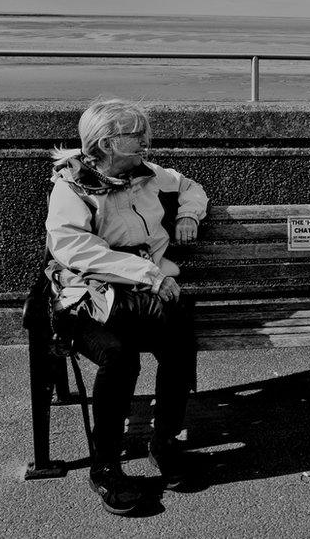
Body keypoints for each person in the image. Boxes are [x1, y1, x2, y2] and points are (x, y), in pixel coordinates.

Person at [45, 98, 208, 514]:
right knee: (119, 359)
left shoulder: (150, 175)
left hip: (141, 298)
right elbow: (75, 248)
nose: (144, 140)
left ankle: (164, 441)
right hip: (90, 298)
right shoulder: (72, 187)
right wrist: (148, 273)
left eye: (142, 131)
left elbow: (191, 188)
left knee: (178, 343)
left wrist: (188, 215)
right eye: (134, 134)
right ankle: (105, 469)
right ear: (105, 143)